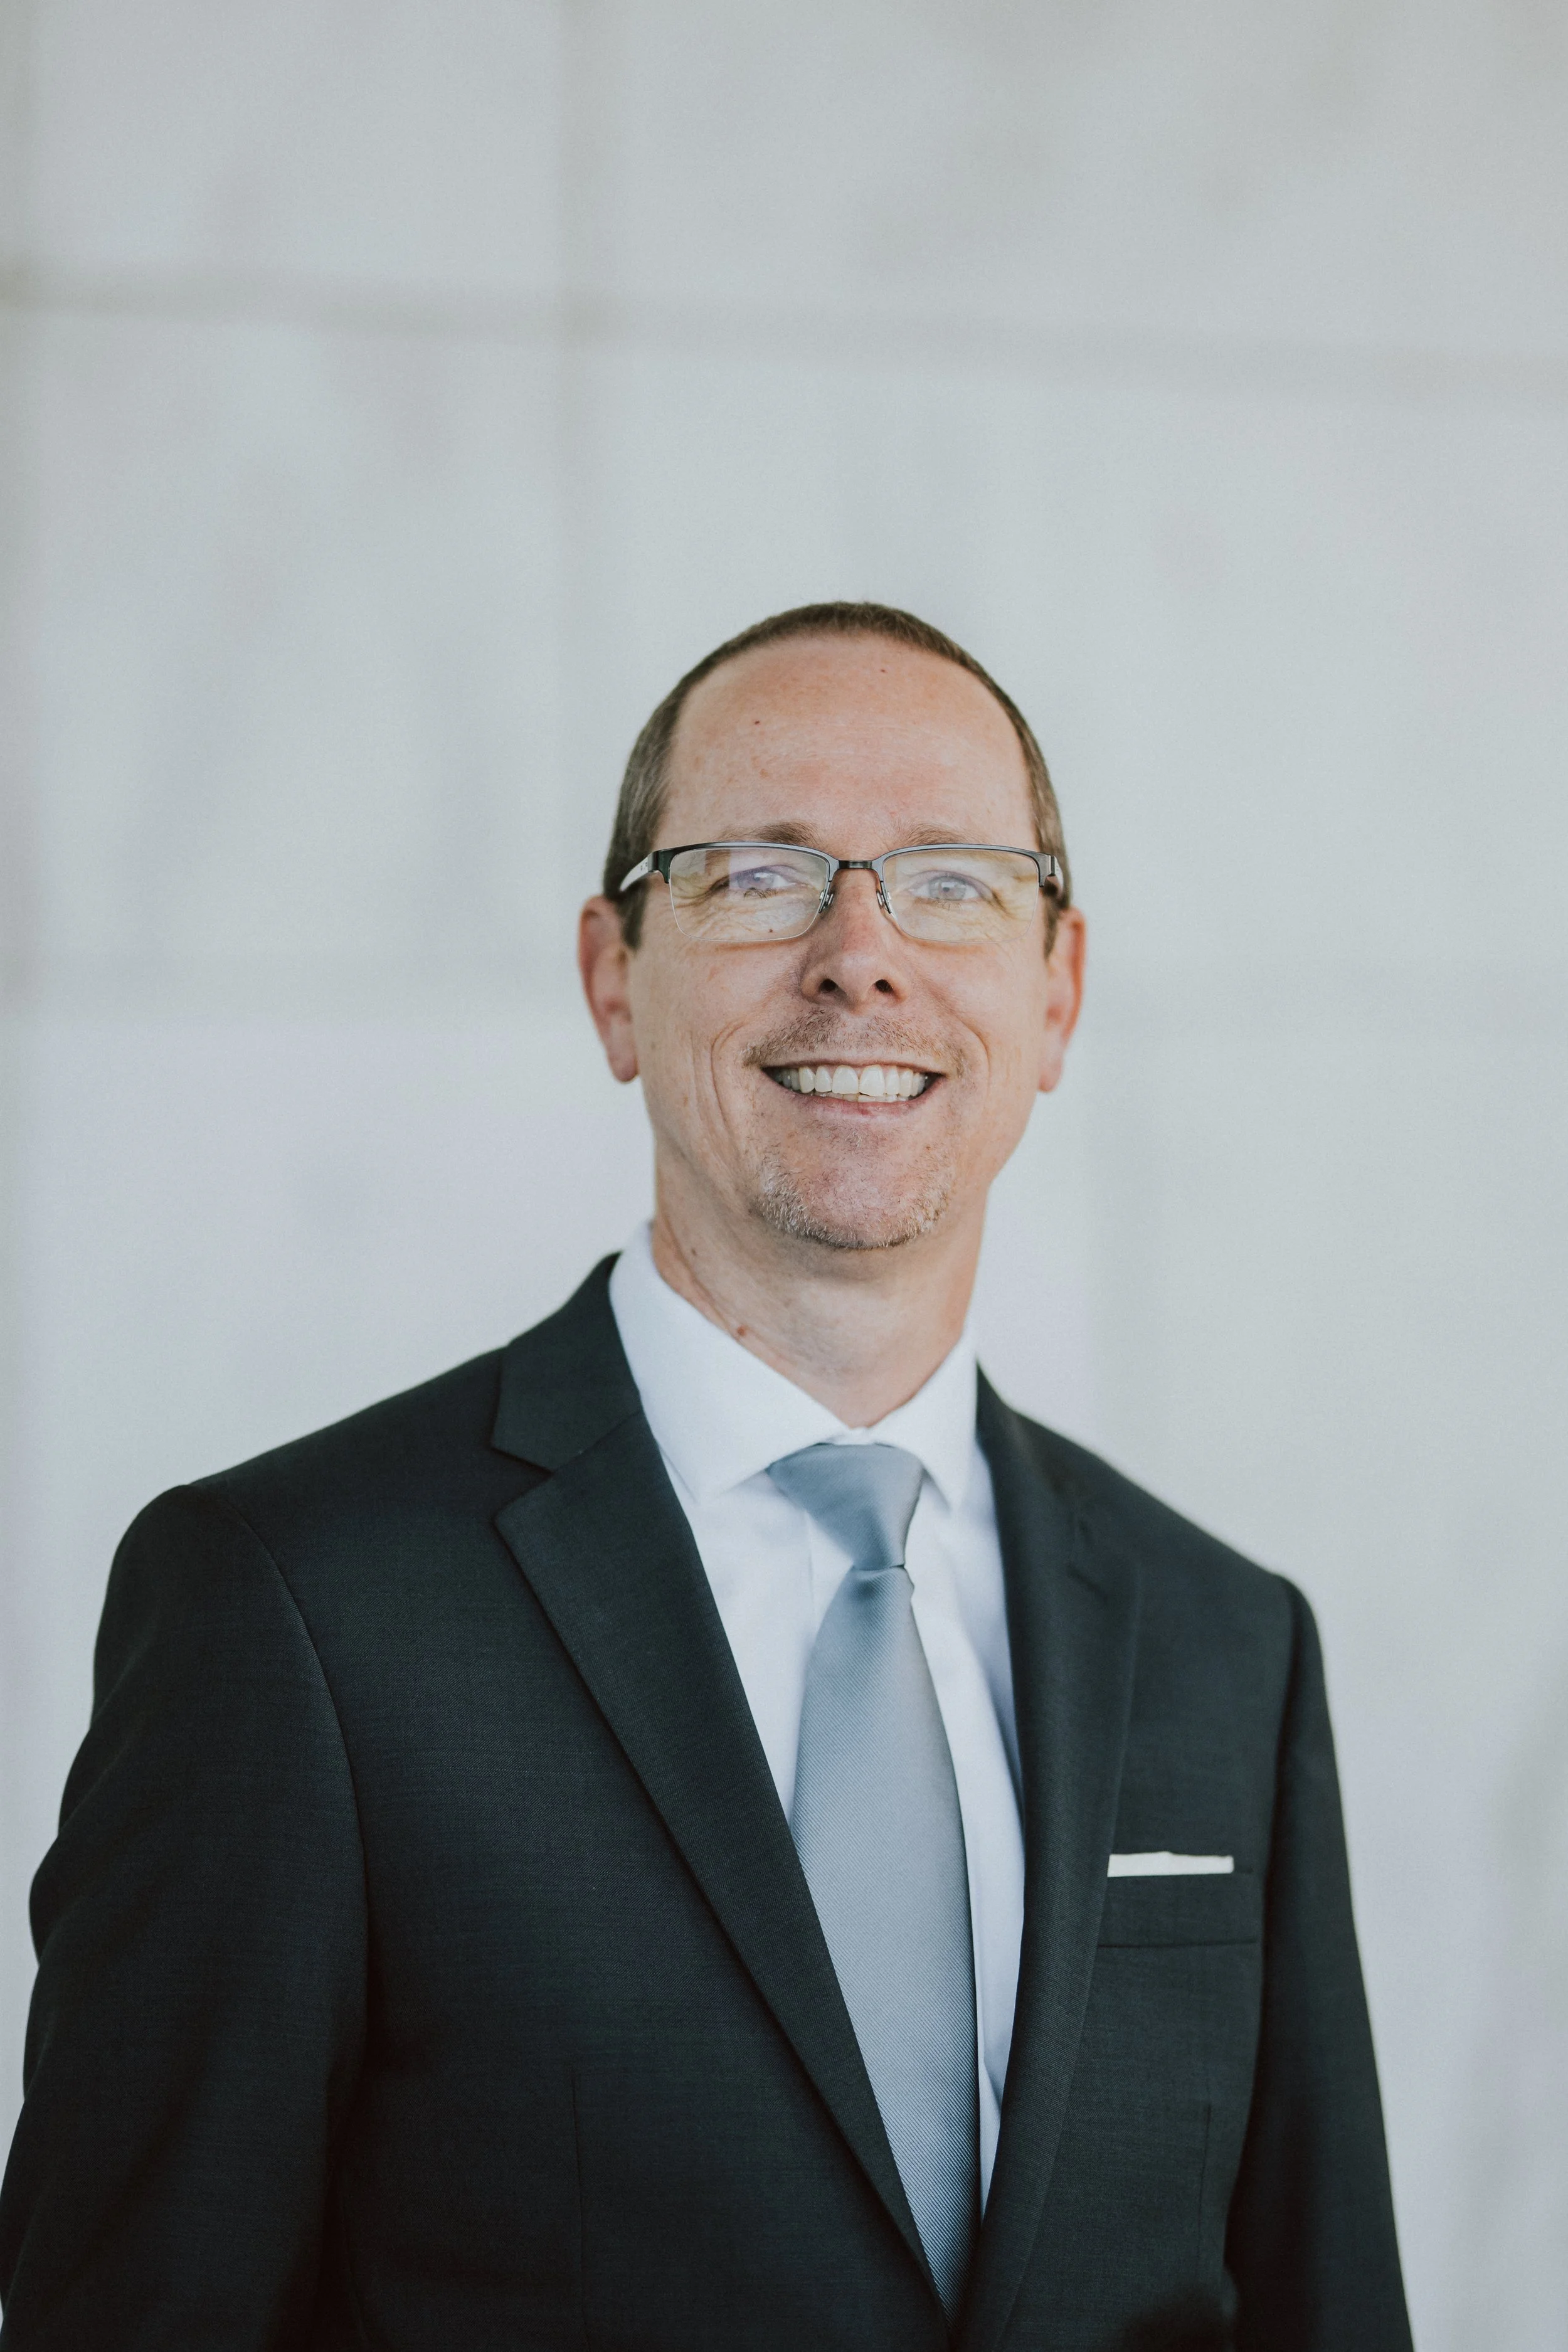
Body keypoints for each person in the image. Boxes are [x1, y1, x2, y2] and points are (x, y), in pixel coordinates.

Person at [0, 603, 1412, 2351]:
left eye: (952, 879)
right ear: (611, 976)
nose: (859, 954)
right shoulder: (297, 1607)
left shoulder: (1225, 1638)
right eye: (758, 873)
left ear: (1055, 991)